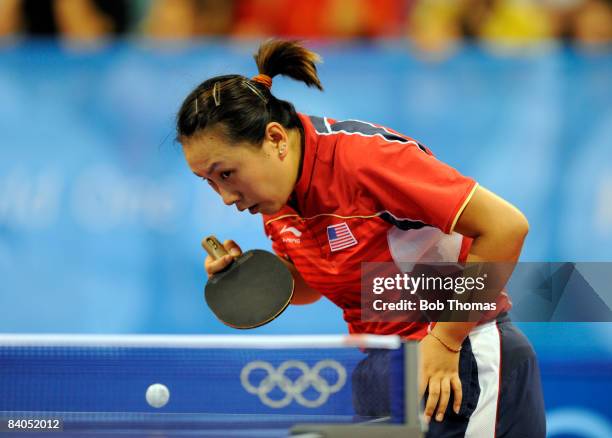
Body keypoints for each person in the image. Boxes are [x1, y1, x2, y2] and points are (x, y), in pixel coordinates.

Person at [175, 39, 546, 437]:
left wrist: (447, 339)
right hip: (381, 366)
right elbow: (310, 287)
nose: (226, 197)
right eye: (209, 182)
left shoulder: (366, 162)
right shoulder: (277, 201)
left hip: (457, 360)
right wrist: (252, 274)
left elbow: (506, 227)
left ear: (276, 140)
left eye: (226, 174)